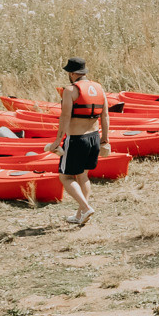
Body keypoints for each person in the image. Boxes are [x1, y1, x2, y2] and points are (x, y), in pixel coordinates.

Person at [53, 57, 111, 228]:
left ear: (72, 74)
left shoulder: (70, 90)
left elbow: (65, 117)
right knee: (83, 175)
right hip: (94, 137)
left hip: (76, 139)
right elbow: (105, 116)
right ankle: (80, 214)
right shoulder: (99, 87)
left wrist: (58, 140)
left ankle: (85, 208)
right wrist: (105, 139)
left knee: (65, 177)